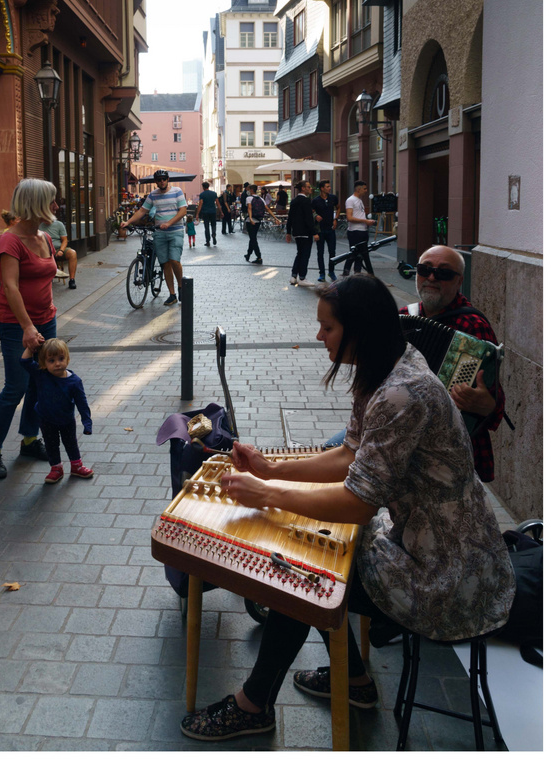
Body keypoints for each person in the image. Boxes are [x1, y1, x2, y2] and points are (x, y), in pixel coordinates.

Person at [180, 275, 516, 743]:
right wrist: (271, 469)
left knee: (302, 577)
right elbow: (348, 455)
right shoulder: (384, 368)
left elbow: (357, 503)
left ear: (359, 329)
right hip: (420, 544)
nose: (318, 337)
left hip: (449, 573)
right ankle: (353, 681)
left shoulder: (403, 392)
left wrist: (266, 493)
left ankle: (254, 703)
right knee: (319, 562)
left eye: (327, 328)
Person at [402, 245, 508, 483]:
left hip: (453, 448)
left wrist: (485, 405)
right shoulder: (403, 317)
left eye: (444, 273)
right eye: (424, 270)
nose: (431, 278)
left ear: (459, 281)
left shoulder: (472, 325)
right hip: (406, 438)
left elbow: (495, 400)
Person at [0, 179, 59, 479]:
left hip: (45, 319)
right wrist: (27, 326)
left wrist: (47, 312)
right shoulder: (9, 241)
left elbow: (46, 276)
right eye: (51, 200)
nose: (56, 206)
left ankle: (28, 440)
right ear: (37, 203)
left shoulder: (45, 237)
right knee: (16, 387)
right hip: (16, 325)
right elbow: (10, 287)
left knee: (40, 385)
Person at [20, 337, 94, 484]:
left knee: (71, 443)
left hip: (66, 420)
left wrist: (87, 422)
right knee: (51, 444)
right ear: (43, 363)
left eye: (61, 358)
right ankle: (56, 468)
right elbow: (24, 361)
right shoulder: (41, 375)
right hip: (46, 419)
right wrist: (31, 347)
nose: (57, 364)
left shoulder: (74, 381)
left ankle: (76, 465)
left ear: (67, 358)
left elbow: (82, 403)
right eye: (51, 361)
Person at [120, 170, 187, 306]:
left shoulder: (177, 191)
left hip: (175, 231)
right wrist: (128, 222)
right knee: (165, 263)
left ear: (168, 179)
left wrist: (169, 223)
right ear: (156, 181)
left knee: (174, 260)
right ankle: (172, 294)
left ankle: (181, 286)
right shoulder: (153, 195)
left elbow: (183, 211)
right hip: (159, 233)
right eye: (159, 179)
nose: (161, 181)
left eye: (163, 179)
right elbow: (142, 211)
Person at [286, 180, 319, 286]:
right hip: (305, 232)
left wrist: (288, 232)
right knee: (305, 254)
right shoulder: (306, 201)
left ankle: (294, 276)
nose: (310, 189)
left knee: (299, 253)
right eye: (308, 187)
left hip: (296, 232)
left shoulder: (294, 201)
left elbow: (290, 217)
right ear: (303, 188)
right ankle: (302, 277)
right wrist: (314, 232)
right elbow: (308, 218)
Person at [39, 202, 77, 290]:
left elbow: (64, 240)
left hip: (57, 250)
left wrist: (61, 250)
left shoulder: (59, 224)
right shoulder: (39, 225)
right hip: (44, 251)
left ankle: (72, 280)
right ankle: (48, 278)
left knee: (72, 253)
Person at [342, 181, 375, 276]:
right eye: (364, 189)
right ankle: (346, 273)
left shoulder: (359, 200)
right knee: (354, 254)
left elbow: (358, 215)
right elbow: (349, 218)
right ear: (358, 189)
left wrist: (367, 222)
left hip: (362, 230)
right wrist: (365, 221)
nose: (366, 191)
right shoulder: (350, 200)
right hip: (355, 231)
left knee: (359, 256)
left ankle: (357, 274)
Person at [311, 180, 339, 282]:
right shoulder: (315, 200)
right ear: (322, 188)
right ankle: (321, 273)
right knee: (320, 252)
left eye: (329, 186)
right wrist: (315, 215)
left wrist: (335, 219)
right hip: (320, 230)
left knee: (332, 252)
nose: (329, 188)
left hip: (331, 229)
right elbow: (311, 212)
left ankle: (331, 272)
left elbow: (338, 207)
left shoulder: (333, 198)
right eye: (327, 186)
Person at [243, 184, 268, 265]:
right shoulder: (261, 198)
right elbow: (267, 208)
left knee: (253, 239)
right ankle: (248, 254)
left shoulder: (249, 198)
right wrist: (275, 218)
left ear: (251, 190)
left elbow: (249, 208)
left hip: (250, 221)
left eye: (249, 189)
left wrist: (250, 218)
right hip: (258, 221)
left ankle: (259, 257)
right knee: (252, 237)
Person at [198, 181, 219, 246]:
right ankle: (213, 233)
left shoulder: (202, 194)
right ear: (208, 186)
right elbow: (217, 203)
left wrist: (197, 214)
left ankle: (208, 241)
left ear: (203, 187)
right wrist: (221, 211)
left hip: (205, 212)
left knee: (206, 227)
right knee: (213, 224)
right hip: (213, 211)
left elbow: (200, 204)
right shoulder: (214, 193)